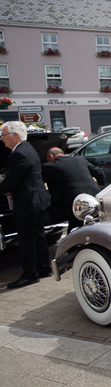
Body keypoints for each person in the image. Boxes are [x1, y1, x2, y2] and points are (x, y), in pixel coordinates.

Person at [0, 121, 51, 289]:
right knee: (38, 237)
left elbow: (9, 184)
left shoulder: (18, 154)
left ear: (15, 135)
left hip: (27, 202)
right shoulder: (29, 148)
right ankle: (44, 269)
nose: (1, 139)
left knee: (27, 240)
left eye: (3, 135)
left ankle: (30, 275)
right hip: (36, 199)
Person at [42, 147, 105, 232]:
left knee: (75, 227)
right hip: (93, 194)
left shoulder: (49, 166)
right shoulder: (79, 159)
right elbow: (98, 172)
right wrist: (100, 184)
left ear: (51, 156)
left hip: (74, 201)